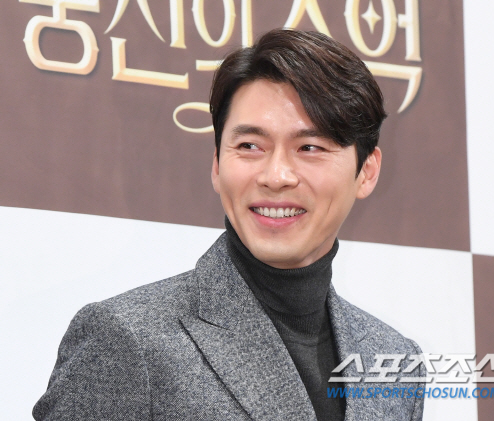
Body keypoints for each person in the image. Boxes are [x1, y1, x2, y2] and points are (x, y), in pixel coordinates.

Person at [33, 29, 425, 421]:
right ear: (217, 165)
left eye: (310, 148)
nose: (276, 176)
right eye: (250, 146)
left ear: (367, 171)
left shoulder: (395, 360)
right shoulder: (128, 338)